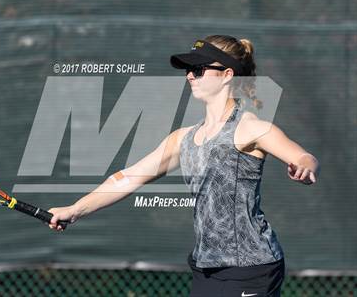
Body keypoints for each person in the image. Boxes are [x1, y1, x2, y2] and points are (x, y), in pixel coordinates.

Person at [48, 35, 320, 297]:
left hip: (253, 267)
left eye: (199, 69)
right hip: (207, 269)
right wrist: (75, 209)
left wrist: (304, 166)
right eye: (189, 69)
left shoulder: (251, 129)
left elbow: (304, 157)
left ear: (227, 75)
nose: (190, 75)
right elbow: (128, 178)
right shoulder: (183, 139)